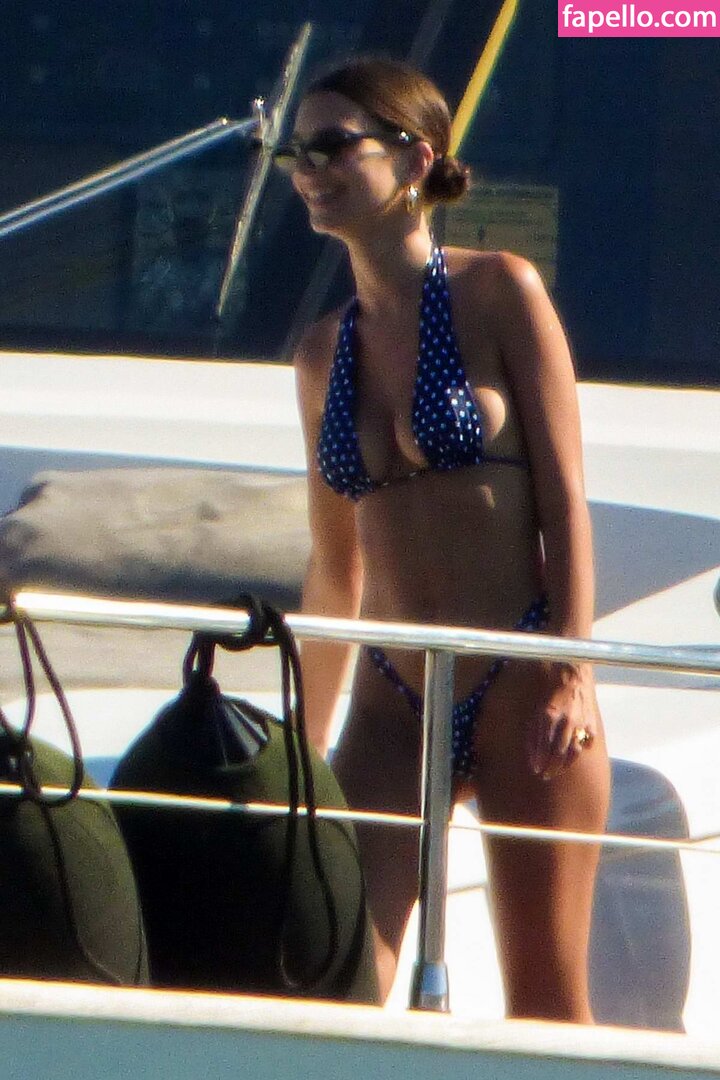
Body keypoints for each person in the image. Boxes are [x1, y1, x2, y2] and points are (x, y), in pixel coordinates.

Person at [283, 56, 610, 1022]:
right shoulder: (321, 352)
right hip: (391, 697)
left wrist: (571, 670)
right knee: (335, 990)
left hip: (520, 680)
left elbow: (567, 502)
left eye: (333, 145)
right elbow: (334, 569)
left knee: (547, 1007)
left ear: (416, 158)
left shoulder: (502, 292)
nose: (309, 169)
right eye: (297, 153)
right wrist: (303, 743)